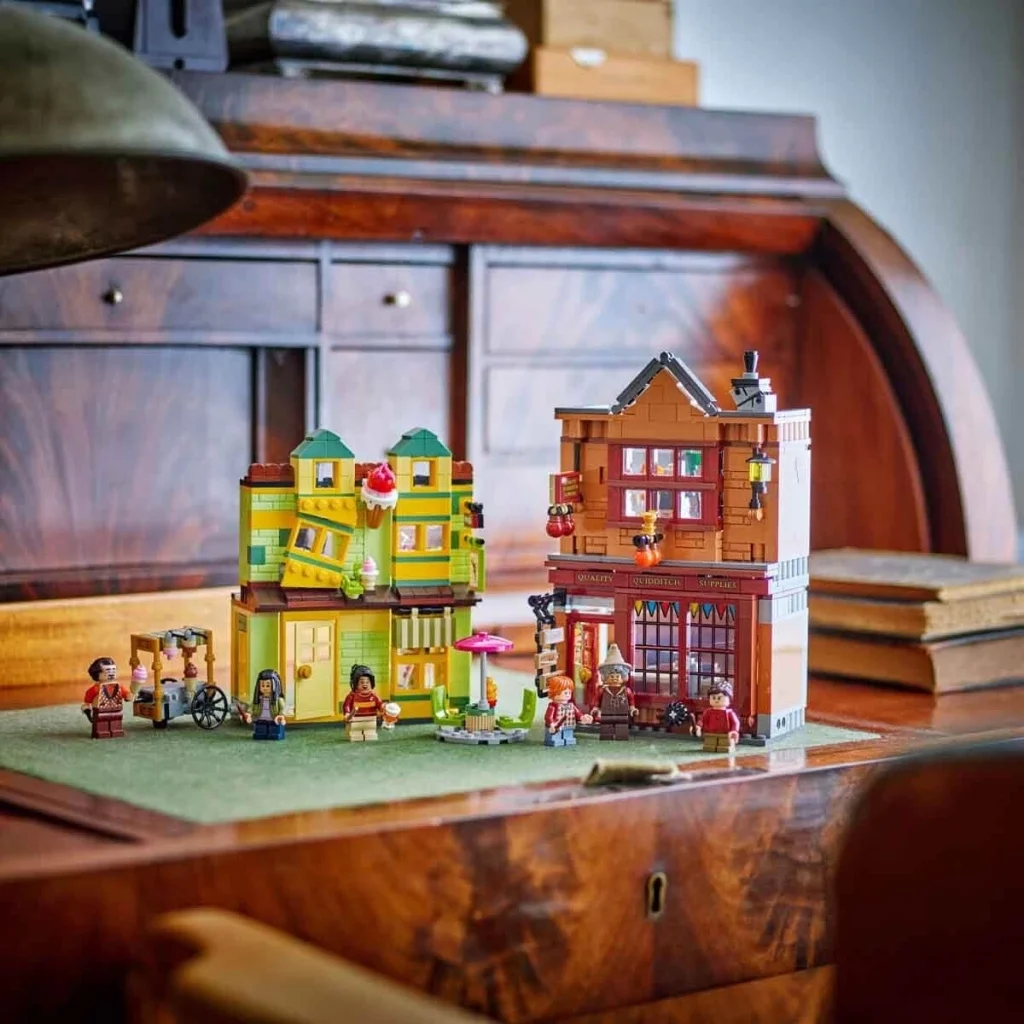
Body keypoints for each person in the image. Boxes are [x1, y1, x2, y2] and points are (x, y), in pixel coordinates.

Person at [590, 644, 637, 741]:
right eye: (611, 676)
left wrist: (632, 709)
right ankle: (607, 736)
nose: (614, 679)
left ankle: (621, 736)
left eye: (617, 676)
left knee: (622, 729)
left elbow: (631, 701)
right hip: (606, 713)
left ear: (623, 677)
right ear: (605, 677)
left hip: (622, 713)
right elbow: (597, 700)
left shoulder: (626, 690)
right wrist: (595, 708)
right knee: (606, 729)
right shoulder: (603, 690)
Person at [81, 657, 132, 739]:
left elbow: (126, 694)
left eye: (113, 670)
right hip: (100, 710)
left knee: (116, 720)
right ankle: (101, 732)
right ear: (97, 673)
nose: (111, 673)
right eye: (108, 671)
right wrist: (87, 711)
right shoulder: (95, 689)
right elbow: (87, 702)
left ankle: (116, 730)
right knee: (101, 722)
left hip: (116, 709)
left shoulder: (119, 686)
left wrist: (129, 696)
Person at [544, 674, 592, 747]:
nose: (568, 695)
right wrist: (552, 723)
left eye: (569, 692)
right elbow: (548, 717)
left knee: (568, 734)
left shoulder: (571, 705)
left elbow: (577, 713)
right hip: (556, 727)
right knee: (555, 737)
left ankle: (568, 739)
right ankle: (555, 740)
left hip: (568, 724)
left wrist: (582, 717)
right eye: (565, 692)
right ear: (555, 692)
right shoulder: (552, 706)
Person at [695, 680, 741, 753]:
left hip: (725, 735)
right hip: (710, 734)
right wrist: (698, 727)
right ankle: (710, 747)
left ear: (729, 699)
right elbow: (702, 720)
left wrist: (734, 731)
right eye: (713, 698)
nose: (716, 700)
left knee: (724, 746)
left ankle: (726, 747)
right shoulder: (708, 712)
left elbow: (736, 723)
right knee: (709, 745)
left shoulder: (729, 713)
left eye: (719, 698)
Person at [241, 668, 286, 741]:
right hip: (260, 718)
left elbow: (282, 708)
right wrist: (249, 714)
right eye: (262, 685)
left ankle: (274, 735)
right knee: (260, 730)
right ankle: (261, 734)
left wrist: (281, 715)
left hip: (273, 719)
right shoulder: (258, 699)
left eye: (268, 686)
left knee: (274, 731)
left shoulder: (278, 700)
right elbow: (252, 707)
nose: (265, 688)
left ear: (275, 685)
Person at [343, 664, 384, 742]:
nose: (365, 685)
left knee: (370, 733)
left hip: (371, 720)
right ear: (355, 684)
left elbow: (379, 704)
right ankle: (355, 735)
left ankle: (369, 734)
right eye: (362, 682)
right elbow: (346, 705)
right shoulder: (352, 696)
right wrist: (347, 713)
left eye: (367, 682)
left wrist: (383, 707)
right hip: (355, 720)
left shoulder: (374, 696)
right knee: (355, 733)